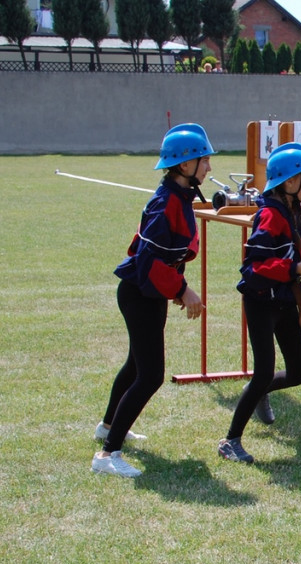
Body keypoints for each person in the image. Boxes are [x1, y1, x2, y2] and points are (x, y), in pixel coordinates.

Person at [93, 123, 214, 477]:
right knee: (150, 375)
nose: (208, 167)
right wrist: (181, 289)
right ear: (184, 165)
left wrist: (175, 286)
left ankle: (107, 426)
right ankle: (107, 454)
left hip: (148, 293)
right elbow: (148, 262)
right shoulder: (166, 203)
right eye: (204, 160)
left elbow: (167, 257)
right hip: (138, 294)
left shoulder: (178, 196)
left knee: (135, 366)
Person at [217, 143, 301, 463]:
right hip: (261, 302)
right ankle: (230, 441)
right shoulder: (269, 215)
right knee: (263, 371)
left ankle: (260, 392)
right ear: (289, 184)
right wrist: (297, 268)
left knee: (299, 373)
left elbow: (288, 241)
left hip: (285, 300)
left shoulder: (288, 210)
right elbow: (255, 268)